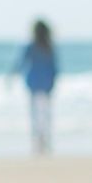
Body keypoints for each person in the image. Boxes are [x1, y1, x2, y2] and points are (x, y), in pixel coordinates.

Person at [13, 18, 59, 155]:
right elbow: (54, 68)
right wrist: (53, 82)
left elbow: (20, 63)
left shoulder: (32, 46)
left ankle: (37, 140)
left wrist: (11, 76)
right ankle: (45, 139)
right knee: (46, 114)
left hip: (34, 83)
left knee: (35, 114)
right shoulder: (48, 47)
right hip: (45, 83)